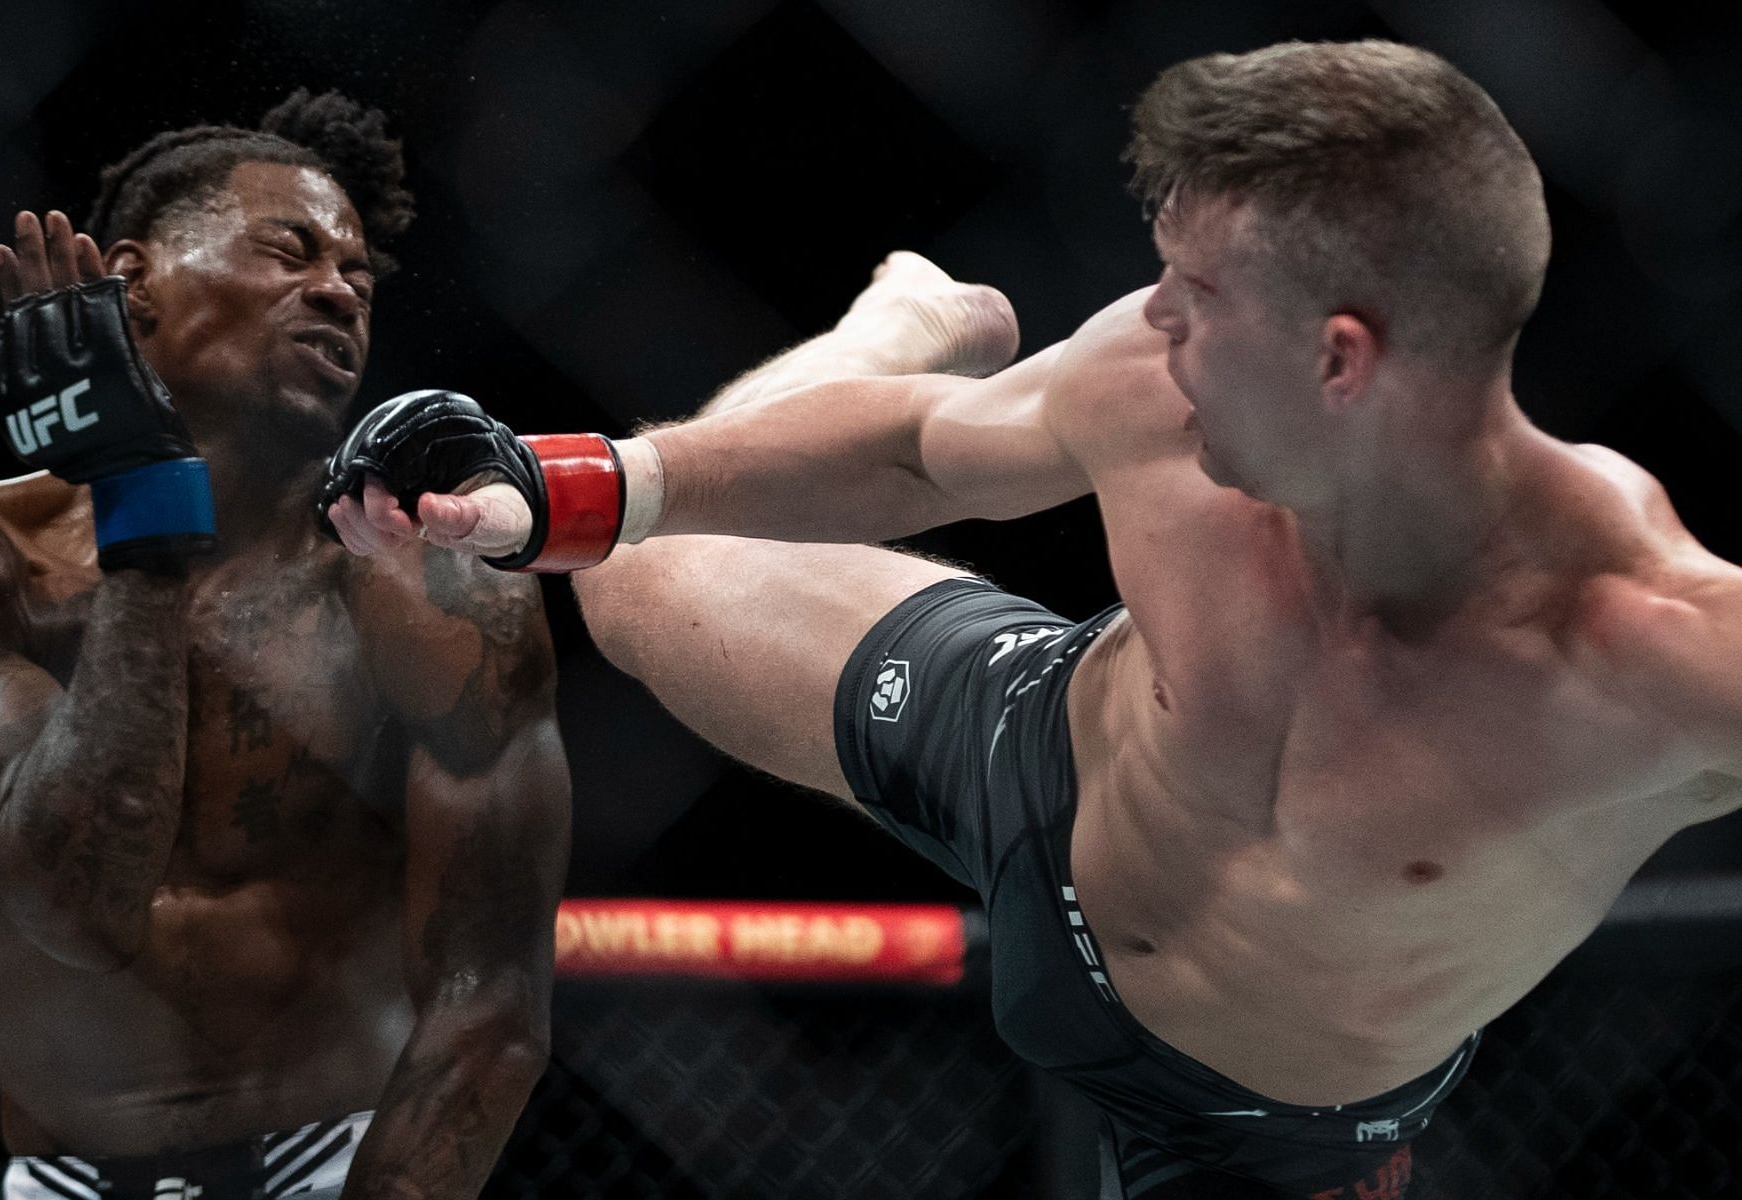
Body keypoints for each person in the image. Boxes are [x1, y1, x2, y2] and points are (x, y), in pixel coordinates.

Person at [322, 39, 1742, 1199]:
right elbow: (918, 452)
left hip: (1269, 1129)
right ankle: (900, 327)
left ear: (1339, 361)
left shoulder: (1656, 651)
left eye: (1196, 298)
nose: (1149, 320)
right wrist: (568, 488)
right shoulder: (1154, 370)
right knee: (636, 570)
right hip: (1034, 751)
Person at [0, 90, 569, 1200]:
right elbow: (79, 909)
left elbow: (491, 1008)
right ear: (133, 284)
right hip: (67, 1176)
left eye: (358, 278)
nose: (339, 291)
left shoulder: (425, 579)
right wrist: (146, 503)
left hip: (344, 1160)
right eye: (291, 250)